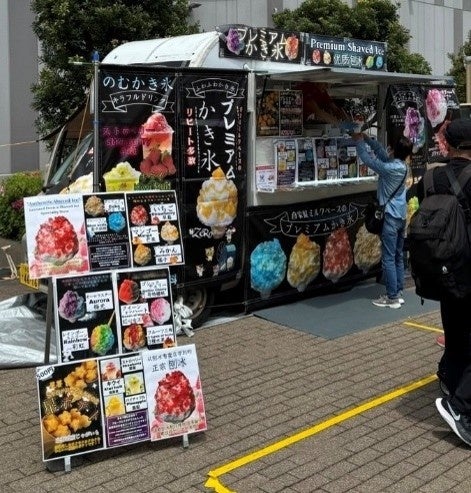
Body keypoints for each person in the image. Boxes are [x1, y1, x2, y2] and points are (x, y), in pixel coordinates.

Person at [415, 118, 471, 446]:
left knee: (456, 334)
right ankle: (461, 408)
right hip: (469, 271)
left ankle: (450, 382)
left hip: (441, 272)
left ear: (447, 145)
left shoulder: (430, 177)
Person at [352, 132, 412, 308]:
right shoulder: (403, 167)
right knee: (398, 256)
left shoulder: (390, 169)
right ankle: (398, 292)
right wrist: (367, 138)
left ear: (393, 150)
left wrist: (359, 142)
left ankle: (391, 297)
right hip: (401, 217)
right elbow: (381, 153)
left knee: (388, 258)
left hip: (390, 218)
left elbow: (368, 160)